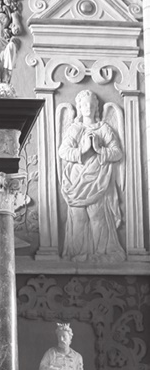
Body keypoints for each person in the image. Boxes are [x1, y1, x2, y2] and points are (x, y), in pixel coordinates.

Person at [58, 89, 125, 262]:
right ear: (79, 108)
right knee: (78, 218)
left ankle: (101, 254)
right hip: (76, 180)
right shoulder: (75, 129)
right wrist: (82, 150)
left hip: (98, 179)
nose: (87, 107)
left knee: (97, 217)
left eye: (91, 104)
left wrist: (99, 149)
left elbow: (117, 152)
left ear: (96, 107)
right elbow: (63, 151)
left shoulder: (104, 128)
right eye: (84, 105)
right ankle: (78, 254)